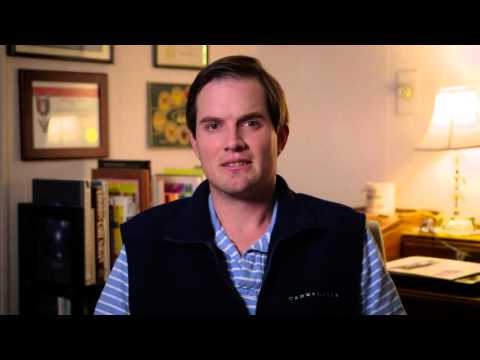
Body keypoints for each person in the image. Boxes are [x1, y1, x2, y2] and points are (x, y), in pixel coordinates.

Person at [95, 55, 406, 316]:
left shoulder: (347, 235)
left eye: (251, 123)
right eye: (214, 125)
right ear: (195, 142)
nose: (233, 142)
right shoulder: (144, 241)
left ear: (280, 137)